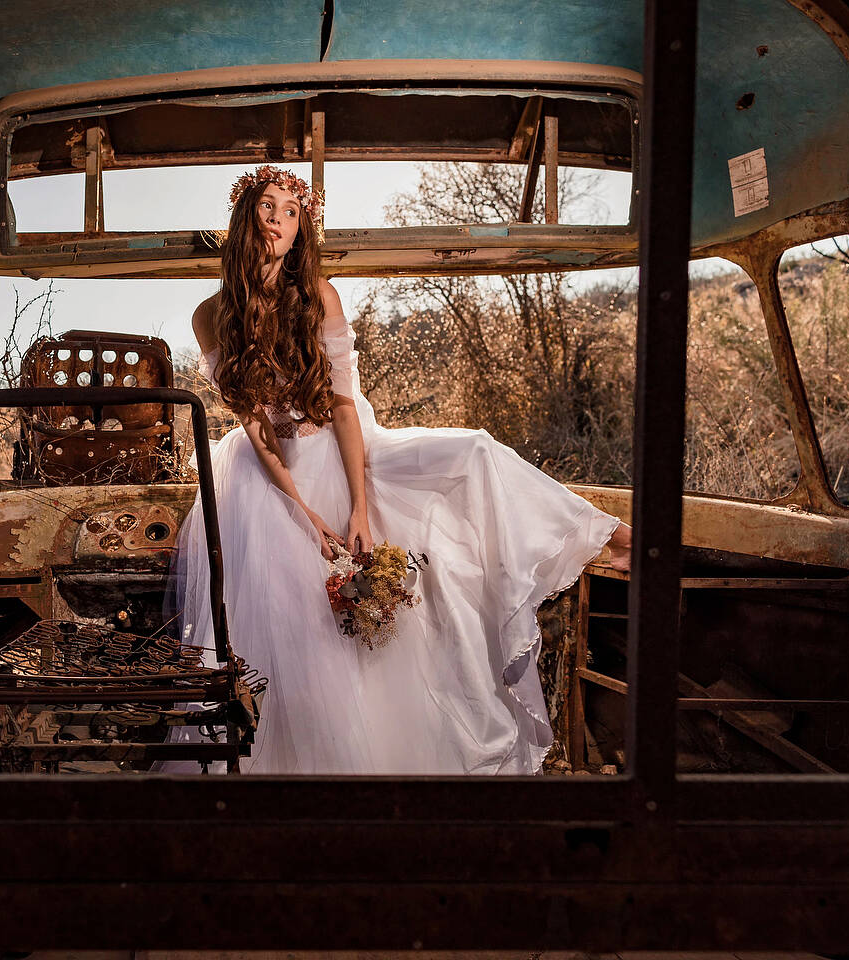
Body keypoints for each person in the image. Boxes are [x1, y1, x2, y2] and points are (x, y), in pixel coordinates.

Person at [160, 164, 633, 776]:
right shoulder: (211, 315)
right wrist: (303, 512)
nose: (279, 219)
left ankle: (603, 535)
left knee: (473, 451)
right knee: (298, 610)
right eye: (268, 207)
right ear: (245, 218)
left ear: (303, 229)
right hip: (266, 470)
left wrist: (356, 508)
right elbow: (253, 423)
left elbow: (342, 406)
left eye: (292, 211)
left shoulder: (319, 297)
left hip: (342, 442)